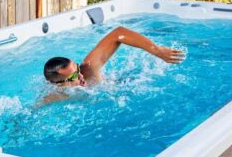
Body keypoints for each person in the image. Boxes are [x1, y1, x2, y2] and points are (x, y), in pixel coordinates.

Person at [40, 26, 185, 104]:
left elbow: (118, 33)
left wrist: (157, 50)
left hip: (122, 87)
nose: (81, 75)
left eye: (77, 69)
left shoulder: (88, 68)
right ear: (59, 84)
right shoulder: (55, 96)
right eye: (74, 76)